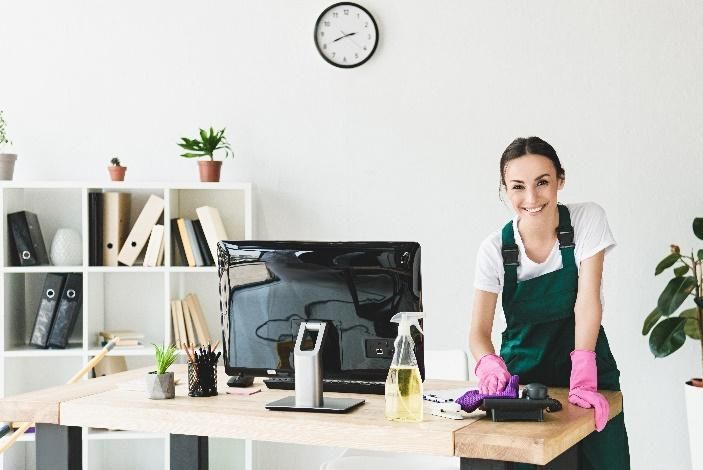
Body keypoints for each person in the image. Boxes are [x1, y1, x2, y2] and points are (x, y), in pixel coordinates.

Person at [469, 137, 630, 469]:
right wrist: (488, 364)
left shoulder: (587, 220)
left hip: (587, 373)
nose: (531, 198)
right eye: (517, 187)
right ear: (504, 191)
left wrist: (583, 371)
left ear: (560, 180)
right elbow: (479, 332)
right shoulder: (495, 250)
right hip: (526, 382)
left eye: (542, 182)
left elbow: (587, 302)